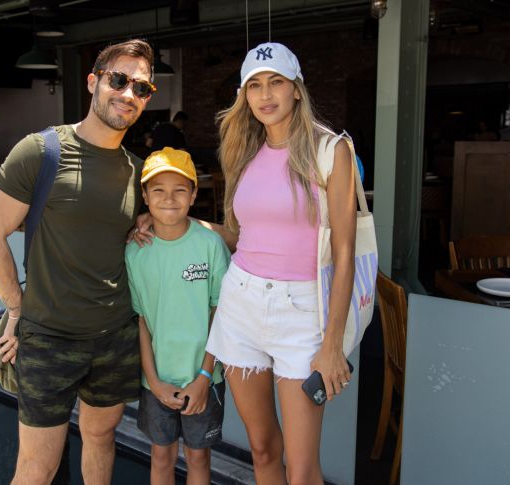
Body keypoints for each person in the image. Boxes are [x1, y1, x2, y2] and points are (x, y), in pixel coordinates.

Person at [0, 39, 159, 485]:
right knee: (38, 468)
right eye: (119, 80)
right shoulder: (41, 152)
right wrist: (17, 307)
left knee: (102, 439)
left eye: (142, 88)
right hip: (49, 339)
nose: (129, 94)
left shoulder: (139, 171)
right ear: (94, 82)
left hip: (115, 338)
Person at [204, 42, 357, 484]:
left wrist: (331, 345)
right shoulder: (242, 151)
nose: (265, 94)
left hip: (303, 312)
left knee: (303, 469)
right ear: (244, 95)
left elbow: (344, 253)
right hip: (241, 303)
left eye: (276, 82)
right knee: (261, 448)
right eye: (254, 85)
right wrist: (177, 223)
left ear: (296, 89)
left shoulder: (331, 150)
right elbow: (240, 236)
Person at [125, 148, 230, 485]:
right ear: (144, 196)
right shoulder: (135, 252)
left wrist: (203, 376)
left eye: (180, 189)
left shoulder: (211, 246)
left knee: (199, 458)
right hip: (156, 379)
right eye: (157, 190)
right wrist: (153, 381)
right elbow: (140, 320)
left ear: (194, 194)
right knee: (161, 455)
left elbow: (222, 313)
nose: (169, 198)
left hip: (204, 378)